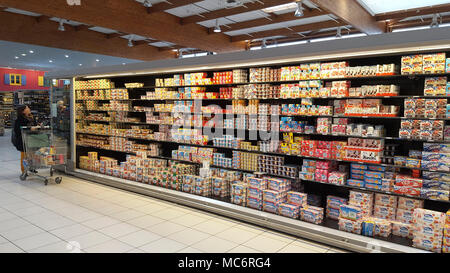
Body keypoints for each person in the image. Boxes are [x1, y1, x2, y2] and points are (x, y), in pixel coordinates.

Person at [12, 105, 37, 173]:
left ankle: (32, 167)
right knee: (24, 156)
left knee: (32, 155)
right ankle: (24, 170)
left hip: (32, 139)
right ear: (23, 111)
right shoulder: (19, 120)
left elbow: (34, 125)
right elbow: (18, 130)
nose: (29, 108)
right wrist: (29, 128)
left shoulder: (31, 117)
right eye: (27, 108)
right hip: (23, 140)